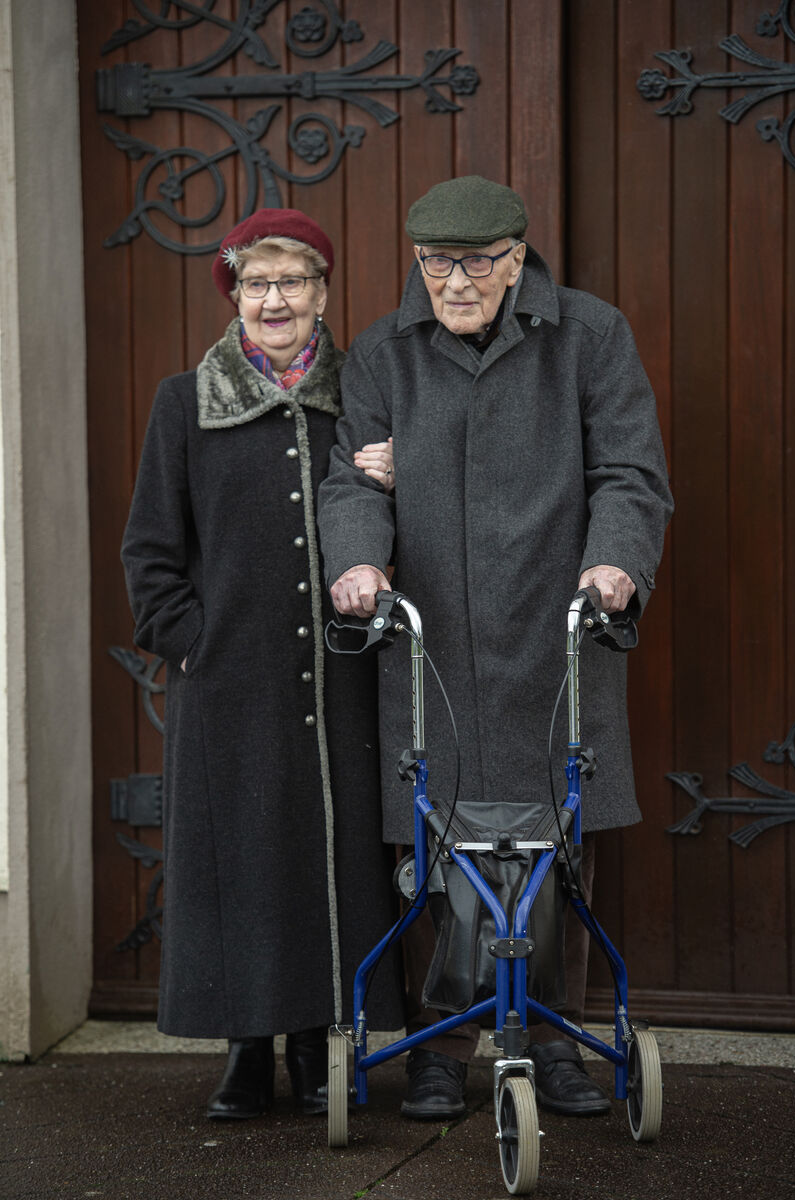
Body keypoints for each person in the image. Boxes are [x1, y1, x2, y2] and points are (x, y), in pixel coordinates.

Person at [317, 176, 673, 1120]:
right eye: (436, 263)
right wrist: (355, 563)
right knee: (433, 848)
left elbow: (630, 474)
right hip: (428, 643)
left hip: (554, 635)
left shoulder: (590, 336)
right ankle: (444, 1049)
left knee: (557, 845)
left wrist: (614, 567)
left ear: (517, 258)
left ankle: (556, 1043)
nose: (455, 282)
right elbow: (349, 483)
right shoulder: (383, 354)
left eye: (477, 262)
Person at [121, 207, 403, 1120]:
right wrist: (193, 640)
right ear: (234, 296)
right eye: (256, 283)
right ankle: (245, 1052)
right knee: (240, 861)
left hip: (347, 677)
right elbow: (151, 551)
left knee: (337, 857)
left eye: (292, 281)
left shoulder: (366, 393)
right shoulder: (181, 403)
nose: (273, 299)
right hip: (228, 682)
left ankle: (322, 1047)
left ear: (323, 293)